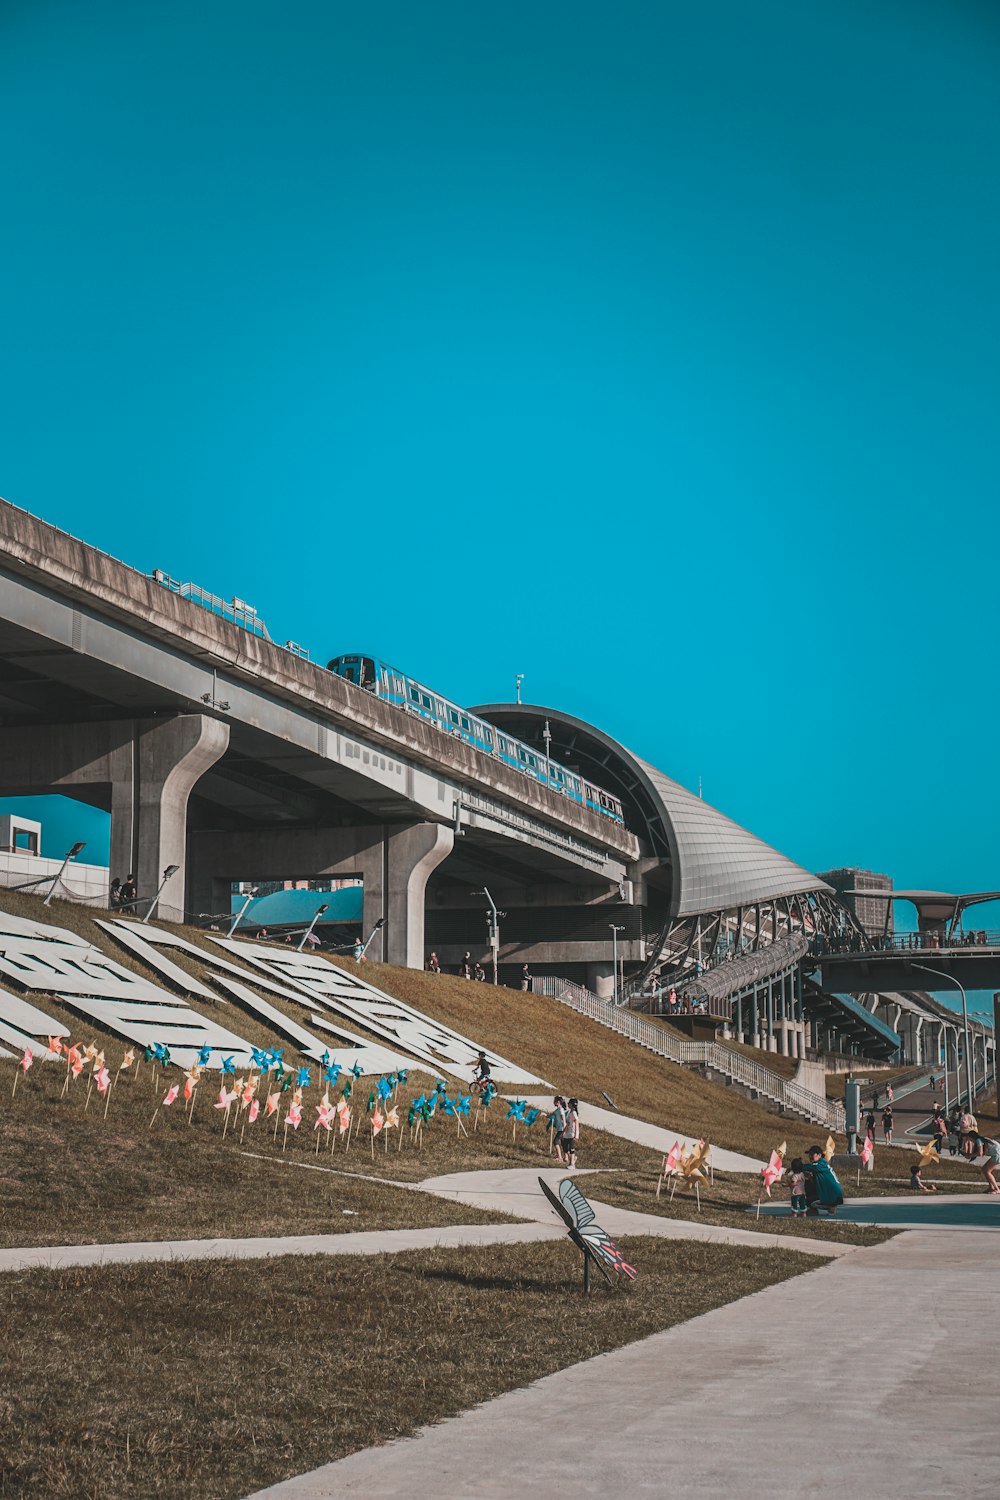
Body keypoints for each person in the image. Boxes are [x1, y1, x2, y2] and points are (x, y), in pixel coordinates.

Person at [802, 1145, 844, 1216]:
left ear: (819, 1155)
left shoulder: (821, 1164)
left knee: (806, 1202)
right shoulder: (821, 1164)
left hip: (833, 1195)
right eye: (809, 1155)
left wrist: (798, 1166)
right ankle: (828, 1206)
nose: (810, 1156)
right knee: (809, 1181)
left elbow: (809, 1167)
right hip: (832, 1194)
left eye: (812, 1154)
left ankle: (831, 1206)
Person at [562, 1098, 580, 1168]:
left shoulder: (574, 1113)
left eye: (568, 1103)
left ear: (571, 1104)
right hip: (567, 1134)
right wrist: (563, 1132)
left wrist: (576, 1134)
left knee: (571, 1149)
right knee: (565, 1149)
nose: (567, 1104)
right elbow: (568, 1123)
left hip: (572, 1134)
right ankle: (572, 1160)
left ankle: (572, 1164)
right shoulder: (570, 1112)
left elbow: (577, 1122)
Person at [550, 1096, 567, 1163]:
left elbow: (563, 1120)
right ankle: (566, 1157)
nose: (553, 1102)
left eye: (554, 1101)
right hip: (560, 1129)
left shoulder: (561, 1110)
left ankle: (560, 1157)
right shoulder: (557, 1110)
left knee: (555, 1142)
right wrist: (545, 1114)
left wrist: (564, 1130)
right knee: (563, 1143)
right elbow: (551, 1115)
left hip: (561, 1129)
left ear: (558, 1102)